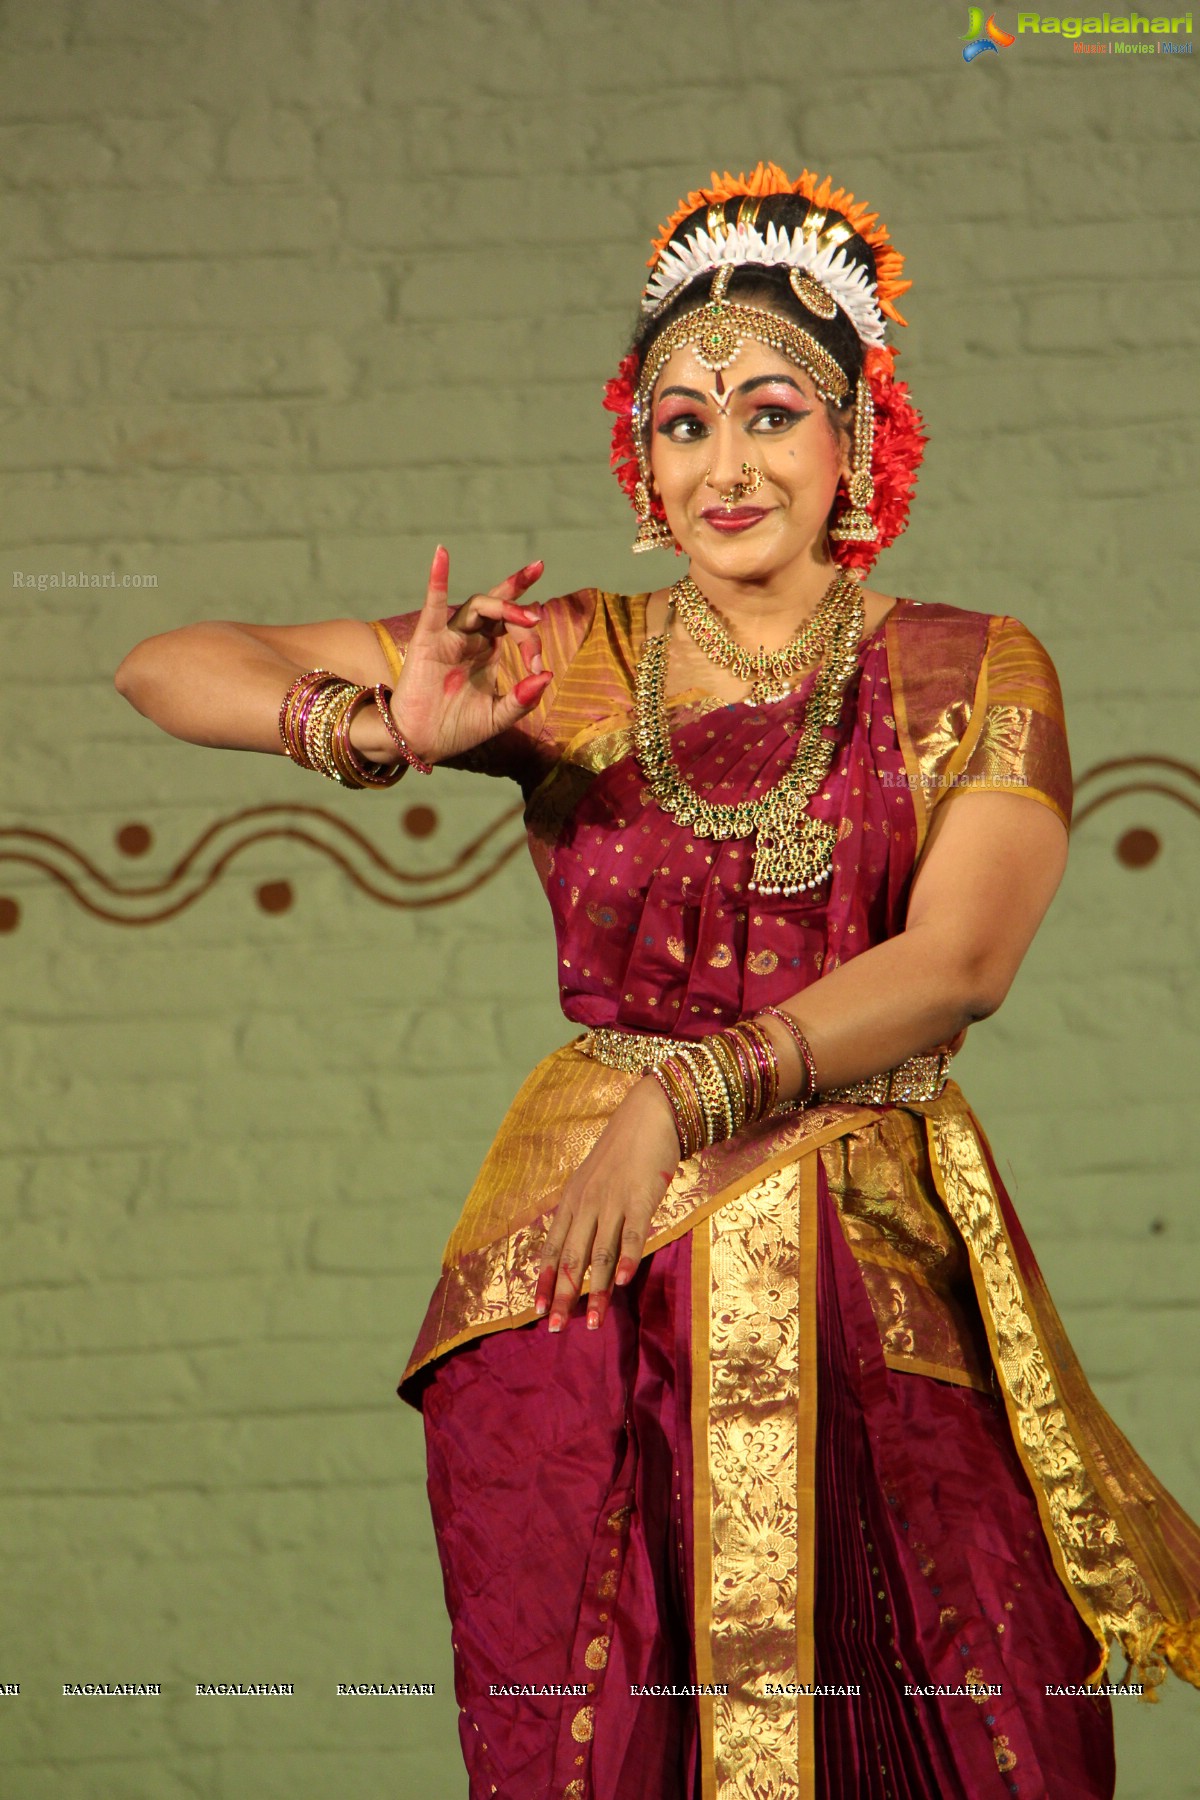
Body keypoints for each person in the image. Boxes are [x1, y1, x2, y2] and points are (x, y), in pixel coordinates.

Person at [115, 162, 1200, 1800]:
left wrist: (678, 1099)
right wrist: (380, 728)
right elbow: (164, 663)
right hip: (588, 1292)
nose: (727, 458)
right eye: (682, 423)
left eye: (770, 410)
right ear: (643, 456)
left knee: (981, 1716)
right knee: (607, 1736)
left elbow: (959, 963)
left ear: (858, 439)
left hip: (863, 1256)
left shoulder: (975, 666)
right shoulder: (570, 656)